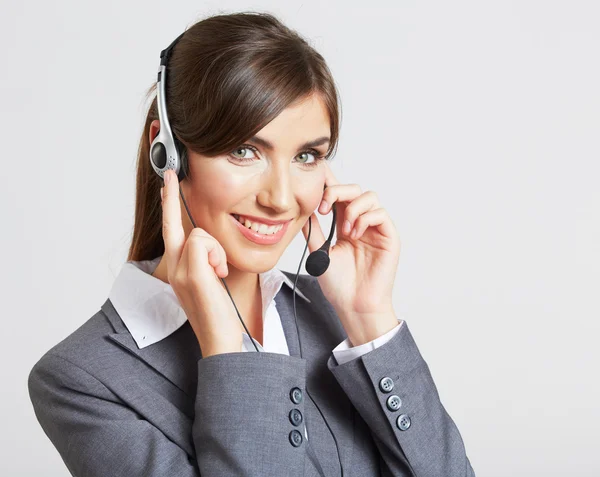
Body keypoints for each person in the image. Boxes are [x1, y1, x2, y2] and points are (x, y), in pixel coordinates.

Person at [27, 10, 476, 477]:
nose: (281, 198)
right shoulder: (81, 381)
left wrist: (369, 319)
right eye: (244, 151)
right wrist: (225, 347)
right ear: (169, 152)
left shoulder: (332, 315)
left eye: (307, 156)